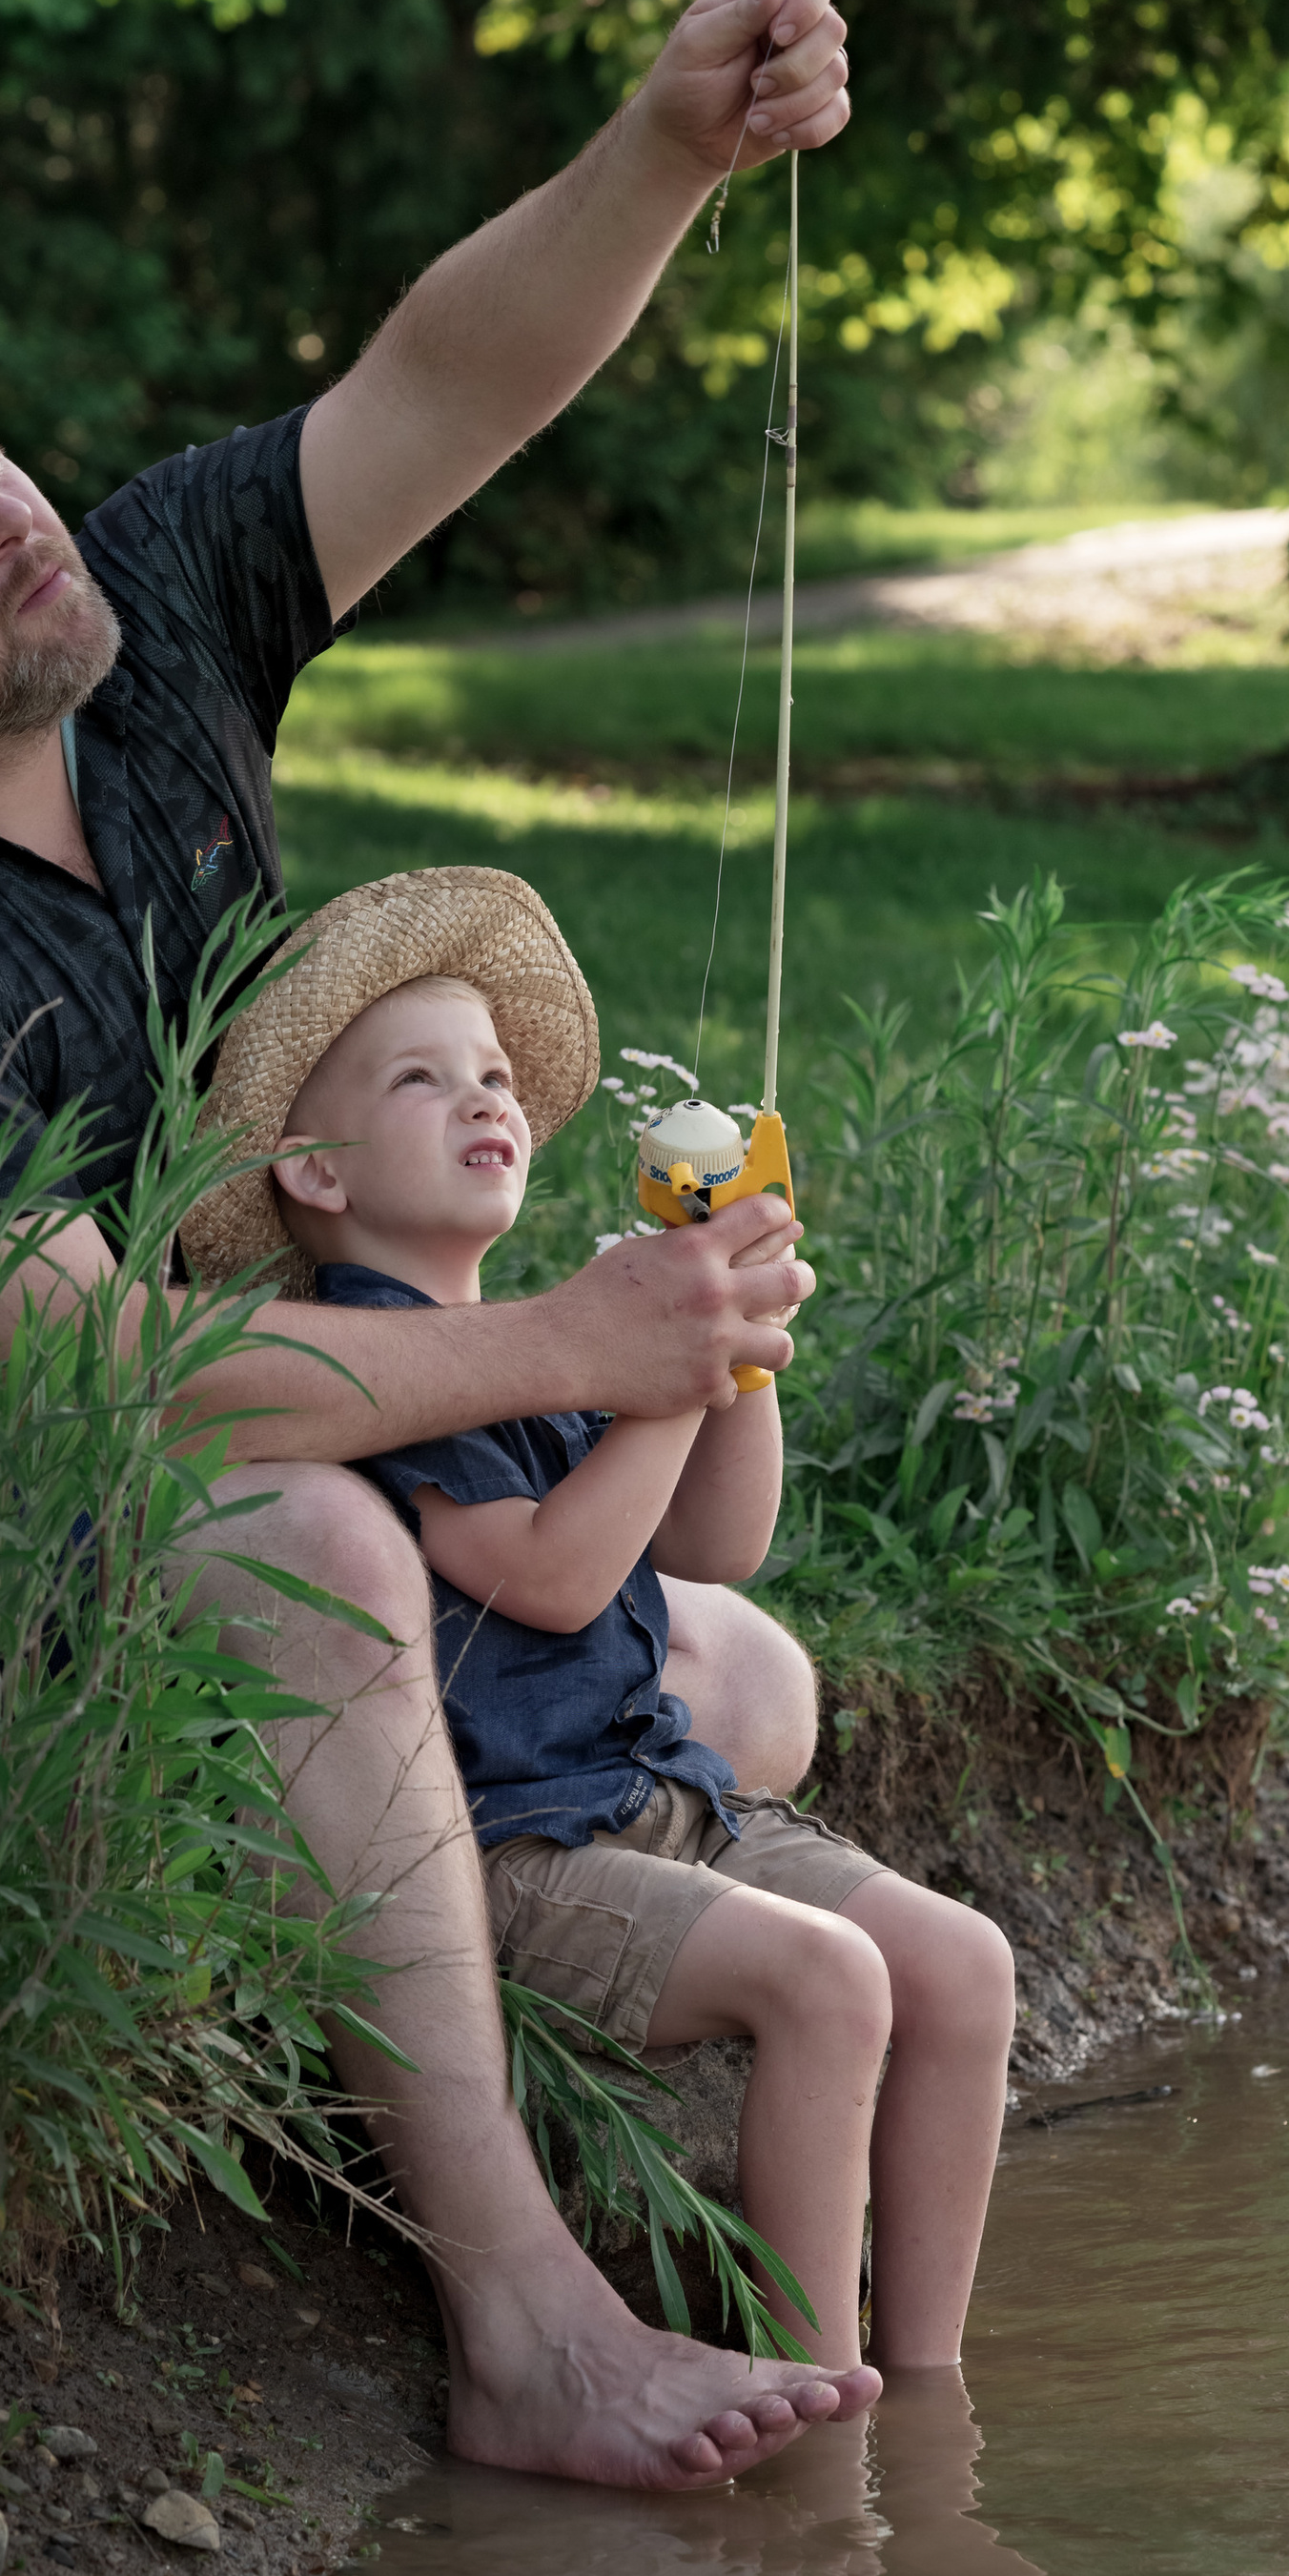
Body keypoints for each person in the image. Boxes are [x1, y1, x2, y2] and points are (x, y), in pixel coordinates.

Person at [0, 0, 889, 2489]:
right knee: (313, 1534)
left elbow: (438, 390)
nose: (9, 509)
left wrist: (662, 144)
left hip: (216, 1465)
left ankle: (583, 2003)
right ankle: (523, 2318)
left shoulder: (129, 622)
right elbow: (119, 1394)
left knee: (741, 1678)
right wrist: (570, 1339)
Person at [179, 868, 1018, 2371]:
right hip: (518, 1850)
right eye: (422, 1079)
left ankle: (934, 2386)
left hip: (655, 1791)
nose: (482, 1097)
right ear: (312, 1172)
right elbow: (549, 1576)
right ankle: (822, 2396)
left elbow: (717, 1540)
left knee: (962, 1965)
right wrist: (653, 1372)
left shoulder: (550, 1337)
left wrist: (735, 1348)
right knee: (830, 1983)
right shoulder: (381, 1355)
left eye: (494, 1073)